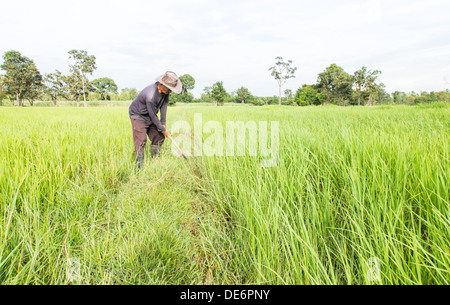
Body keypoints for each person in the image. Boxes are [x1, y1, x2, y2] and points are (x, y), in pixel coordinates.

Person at [129, 71, 182, 169]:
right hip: (138, 116)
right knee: (141, 141)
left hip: (150, 115)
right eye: (169, 89)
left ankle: (155, 161)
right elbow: (153, 116)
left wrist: (163, 123)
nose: (170, 91)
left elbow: (164, 106)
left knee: (159, 137)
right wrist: (163, 129)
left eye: (171, 90)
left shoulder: (166, 91)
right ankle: (139, 168)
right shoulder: (150, 95)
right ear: (161, 84)